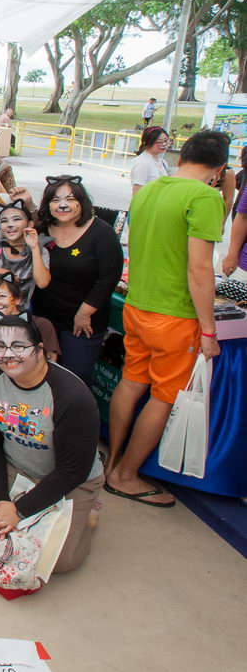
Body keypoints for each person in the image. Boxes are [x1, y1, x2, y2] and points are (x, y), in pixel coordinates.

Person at [106, 130, 227, 508]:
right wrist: (209, 330)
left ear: (181, 155)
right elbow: (200, 269)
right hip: (175, 316)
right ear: (220, 168)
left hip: (137, 306)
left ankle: (111, 461)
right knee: (163, 397)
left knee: (130, 383)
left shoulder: (149, 191)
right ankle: (125, 475)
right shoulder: (205, 196)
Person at [0, 315, 105, 574]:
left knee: (56, 562)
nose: (8, 355)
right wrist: (0, 501)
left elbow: (72, 471)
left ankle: (88, 516)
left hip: (71, 480)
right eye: (0, 346)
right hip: (15, 465)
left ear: (40, 349)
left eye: (18, 346)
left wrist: (18, 510)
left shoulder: (73, 397)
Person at [33, 176, 123, 385]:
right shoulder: (41, 229)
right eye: (55, 200)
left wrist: (84, 313)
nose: (62, 205)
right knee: (41, 374)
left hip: (82, 321)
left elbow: (109, 277)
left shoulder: (102, 233)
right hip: (44, 316)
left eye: (70, 199)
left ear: (82, 202)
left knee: (75, 377)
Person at [0, 199, 50, 307]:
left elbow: (42, 283)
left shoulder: (40, 250)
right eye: (4, 221)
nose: (10, 225)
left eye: (16, 219)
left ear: (30, 224)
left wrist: (34, 247)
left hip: (21, 309)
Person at [130, 126, 169, 195]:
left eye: (166, 141)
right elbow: (137, 192)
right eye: (159, 142)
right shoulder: (143, 163)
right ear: (148, 143)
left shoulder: (163, 162)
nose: (164, 144)